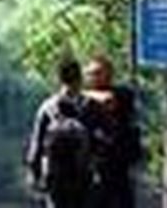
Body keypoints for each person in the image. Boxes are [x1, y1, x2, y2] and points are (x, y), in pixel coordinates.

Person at [25, 58, 98, 208]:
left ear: (59, 79)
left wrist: (34, 175)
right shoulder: (91, 107)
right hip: (82, 177)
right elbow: (100, 142)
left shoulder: (48, 108)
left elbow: (36, 146)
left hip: (55, 178)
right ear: (80, 78)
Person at [83, 55, 142, 208]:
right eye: (89, 74)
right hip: (93, 168)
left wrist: (81, 94)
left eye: (97, 73)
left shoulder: (123, 94)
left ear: (109, 74)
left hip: (118, 166)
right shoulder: (84, 102)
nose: (92, 77)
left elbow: (108, 100)